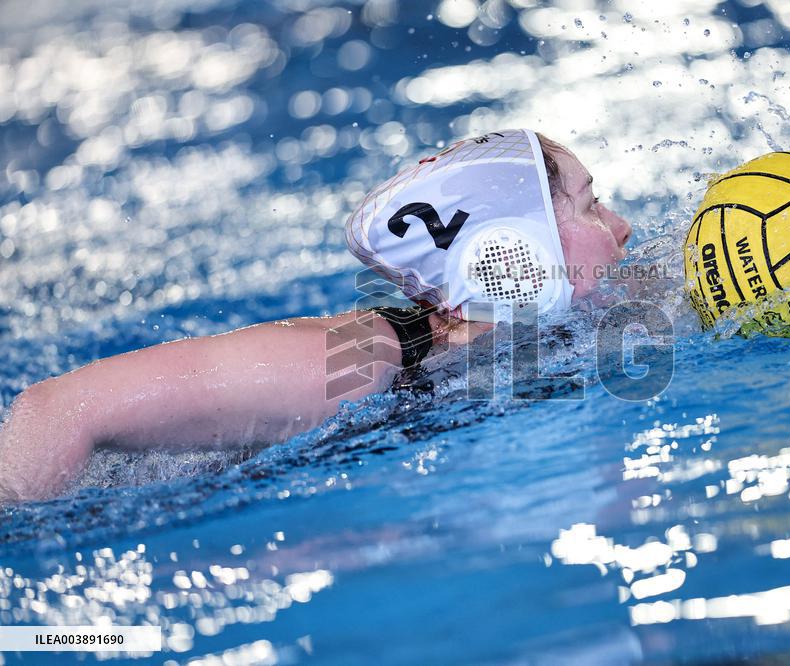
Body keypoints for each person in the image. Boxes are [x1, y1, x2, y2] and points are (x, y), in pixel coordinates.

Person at [0, 129, 632, 502]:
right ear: (512, 254)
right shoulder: (359, 360)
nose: (621, 227)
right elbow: (52, 409)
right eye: (590, 204)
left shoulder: (534, 337)